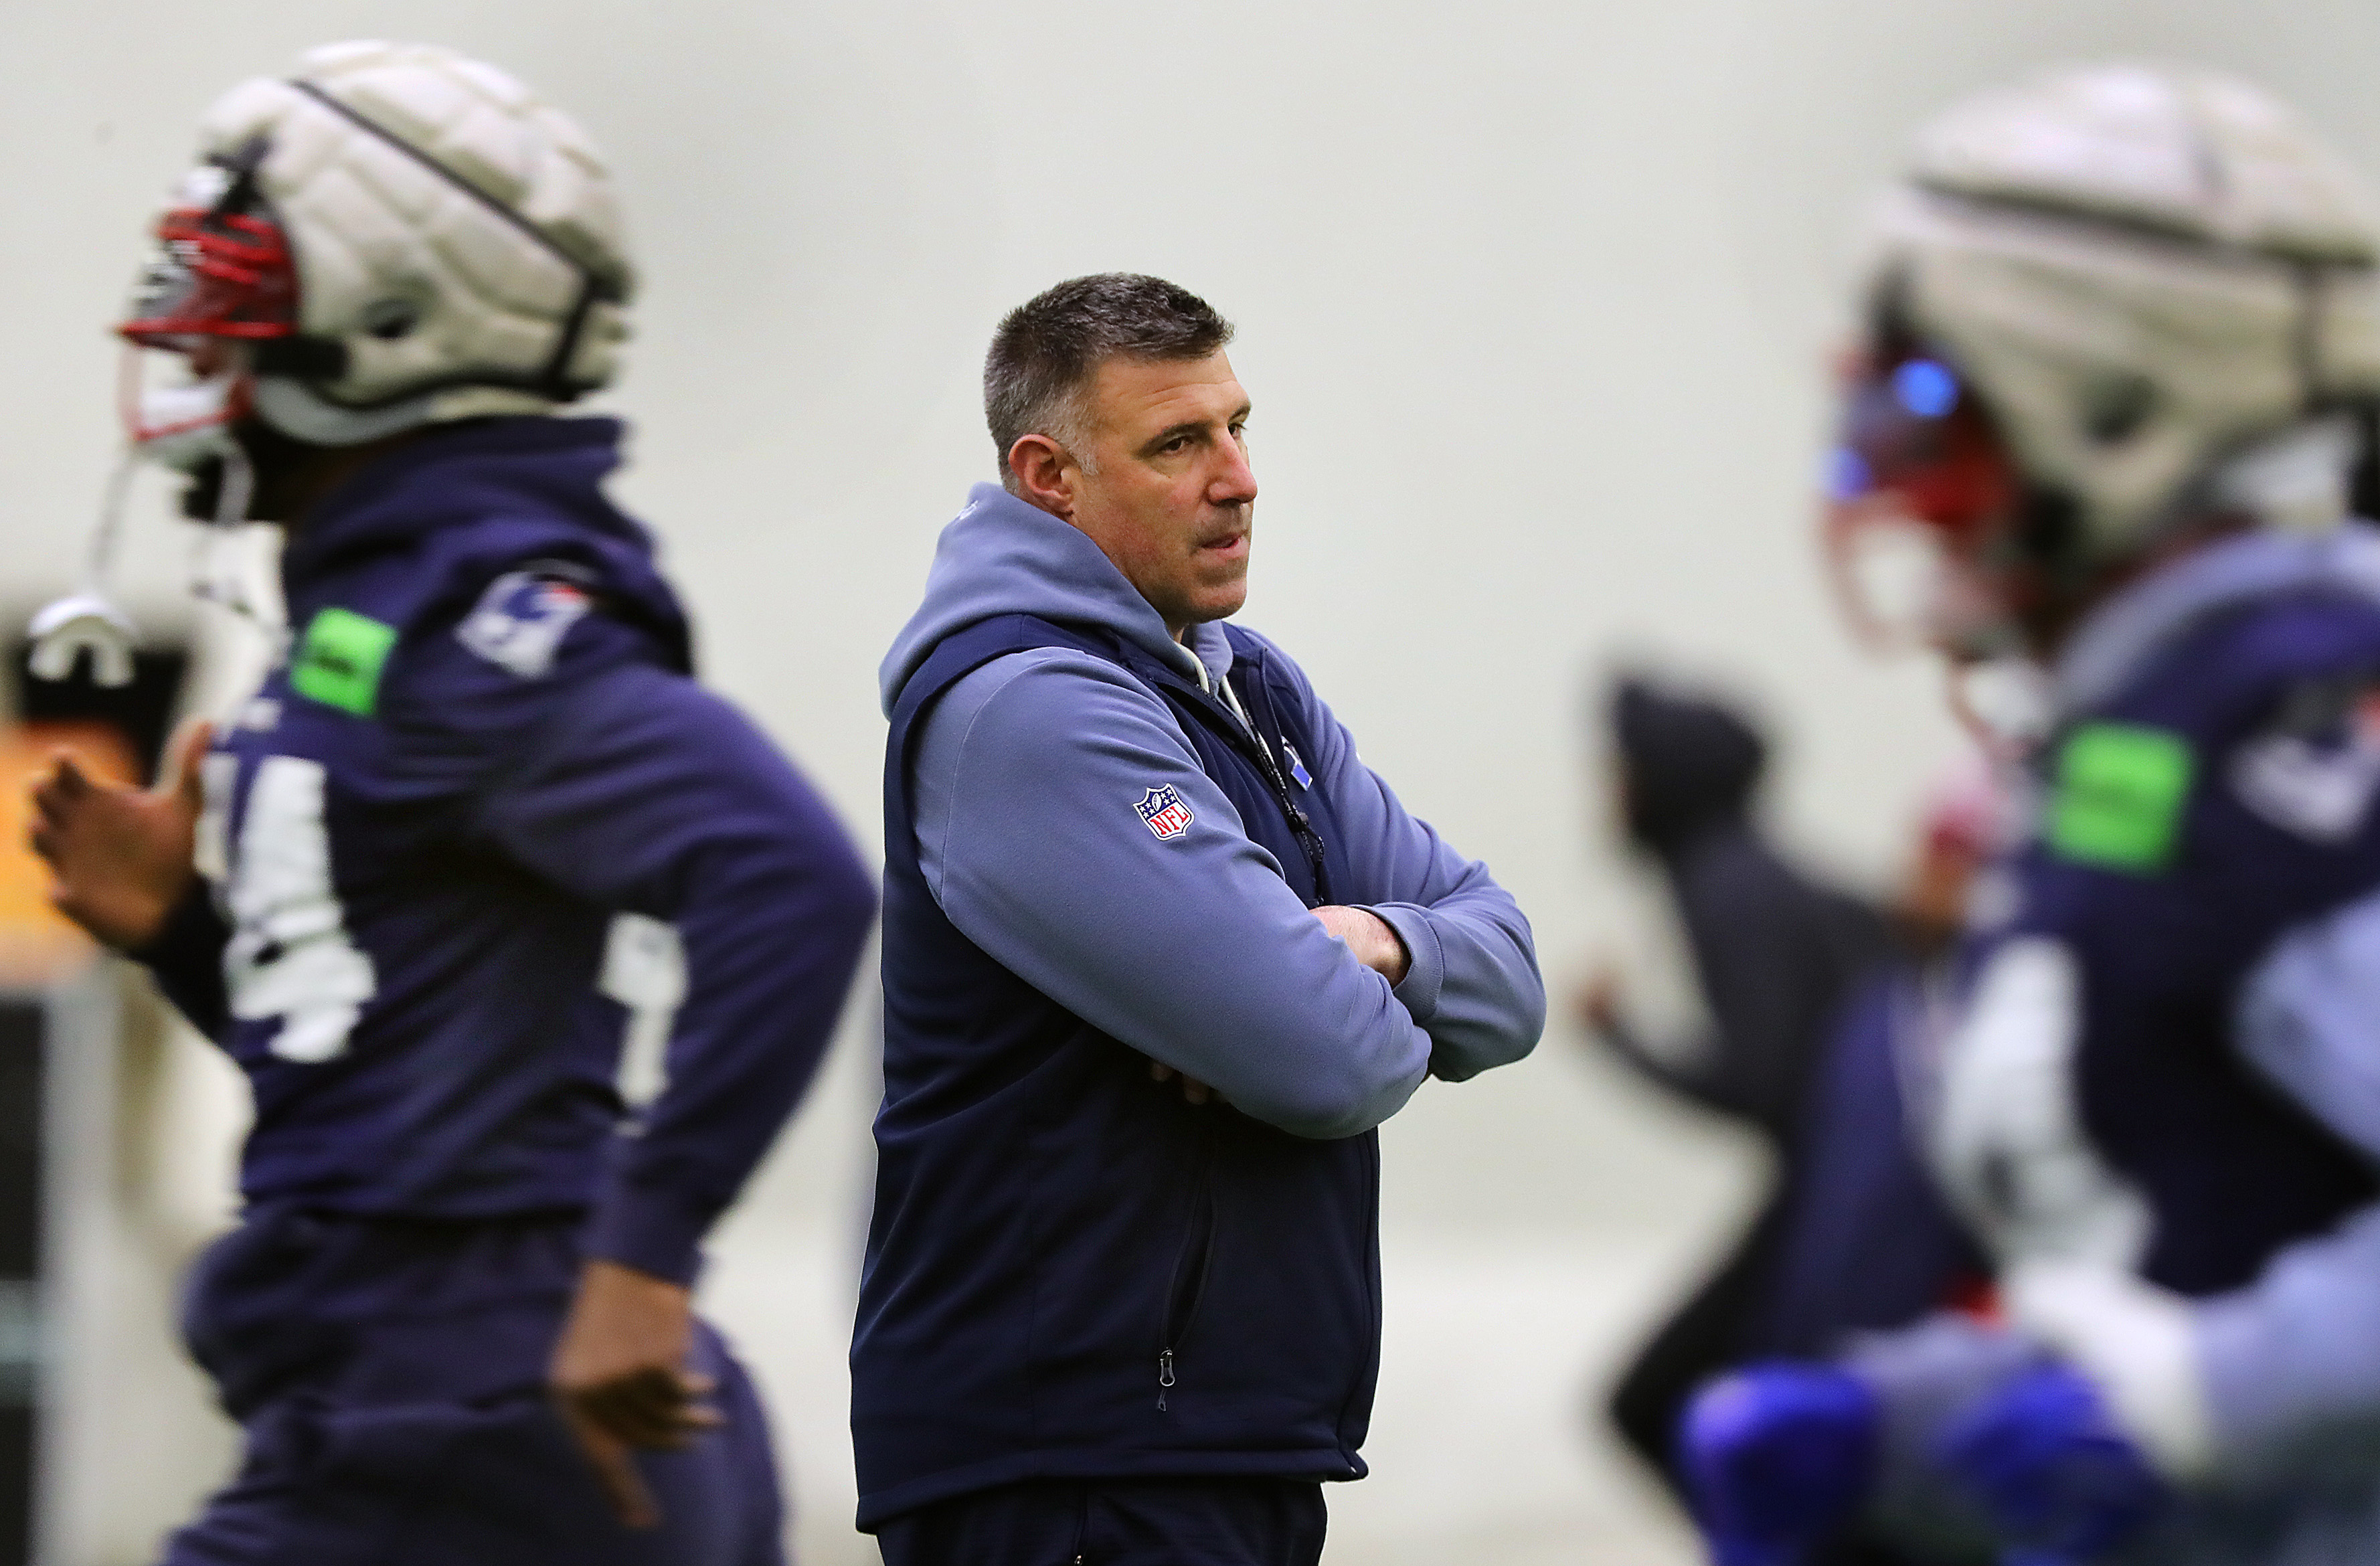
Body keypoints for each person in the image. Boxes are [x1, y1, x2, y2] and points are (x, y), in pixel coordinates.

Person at [26, 43, 875, 1564]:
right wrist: (189, 936)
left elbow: (791, 877)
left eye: (237, 284)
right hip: (438, 1410)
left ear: (393, 320)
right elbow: (411, 1062)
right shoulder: (373, 610)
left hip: (471, 1424)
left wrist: (646, 1254)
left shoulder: (476, 624)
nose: (183, 326)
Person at [1681, 63, 2380, 1566]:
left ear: (2118, 403)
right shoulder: (2161, 721)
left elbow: (2198, 1370)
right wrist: (1906, 1422)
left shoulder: (2291, 723)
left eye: (1929, 398)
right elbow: (2180, 1241)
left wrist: (2199, 1401)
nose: (1888, 464)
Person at [855, 273, 1544, 1565]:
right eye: (1179, 444)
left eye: (1237, 428)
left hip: (1203, 1444)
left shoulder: (1250, 686)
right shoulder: (1028, 710)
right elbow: (1332, 1061)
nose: (1239, 478)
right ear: (1048, 476)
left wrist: (1373, 944)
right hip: (1070, 1461)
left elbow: (1508, 976)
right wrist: (1340, 998)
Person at [1584, 674, 1896, 1495]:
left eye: (1618, 772)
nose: (1605, 796)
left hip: (1844, 1201)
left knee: (1651, 1404)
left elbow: (1760, 1083)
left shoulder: (1720, 886)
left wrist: (1620, 1041)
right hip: (1849, 1189)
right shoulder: (1748, 869)